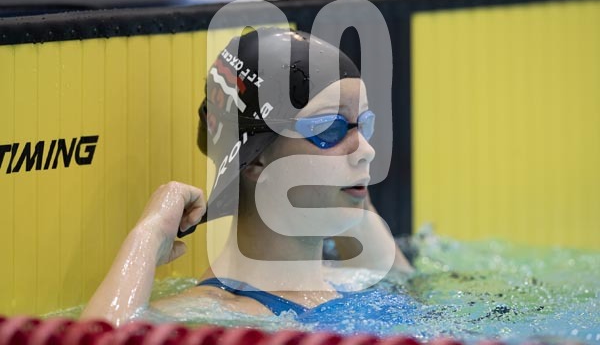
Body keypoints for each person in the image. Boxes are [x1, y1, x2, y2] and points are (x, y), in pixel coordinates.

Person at [81, 28, 412, 326]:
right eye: (329, 128)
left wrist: (350, 189)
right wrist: (148, 236)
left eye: (364, 125)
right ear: (255, 158)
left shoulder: (354, 281)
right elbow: (97, 339)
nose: (367, 150)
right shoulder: (217, 316)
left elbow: (404, 282)